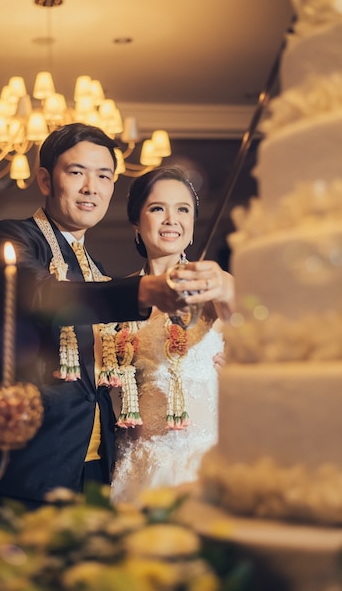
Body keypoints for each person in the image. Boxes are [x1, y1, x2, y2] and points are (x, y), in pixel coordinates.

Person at [0, 123, 232, 522]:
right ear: (45, 178)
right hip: (30, 467)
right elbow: (41, 297)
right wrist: (145, 292)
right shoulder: (9, 238)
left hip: (98, 470)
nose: (92, 187)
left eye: (104, 175)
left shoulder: (97, 271)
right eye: (77, 172)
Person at [110, 166, 234, 504]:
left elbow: (249, 325)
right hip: (138, 466)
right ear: (136, 221)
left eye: (183, 209)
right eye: (157, 208)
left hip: (201, 463)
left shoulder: (210, 285)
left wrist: (225, 288)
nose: (171, 219)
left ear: (193, 225)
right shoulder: (119, 300)